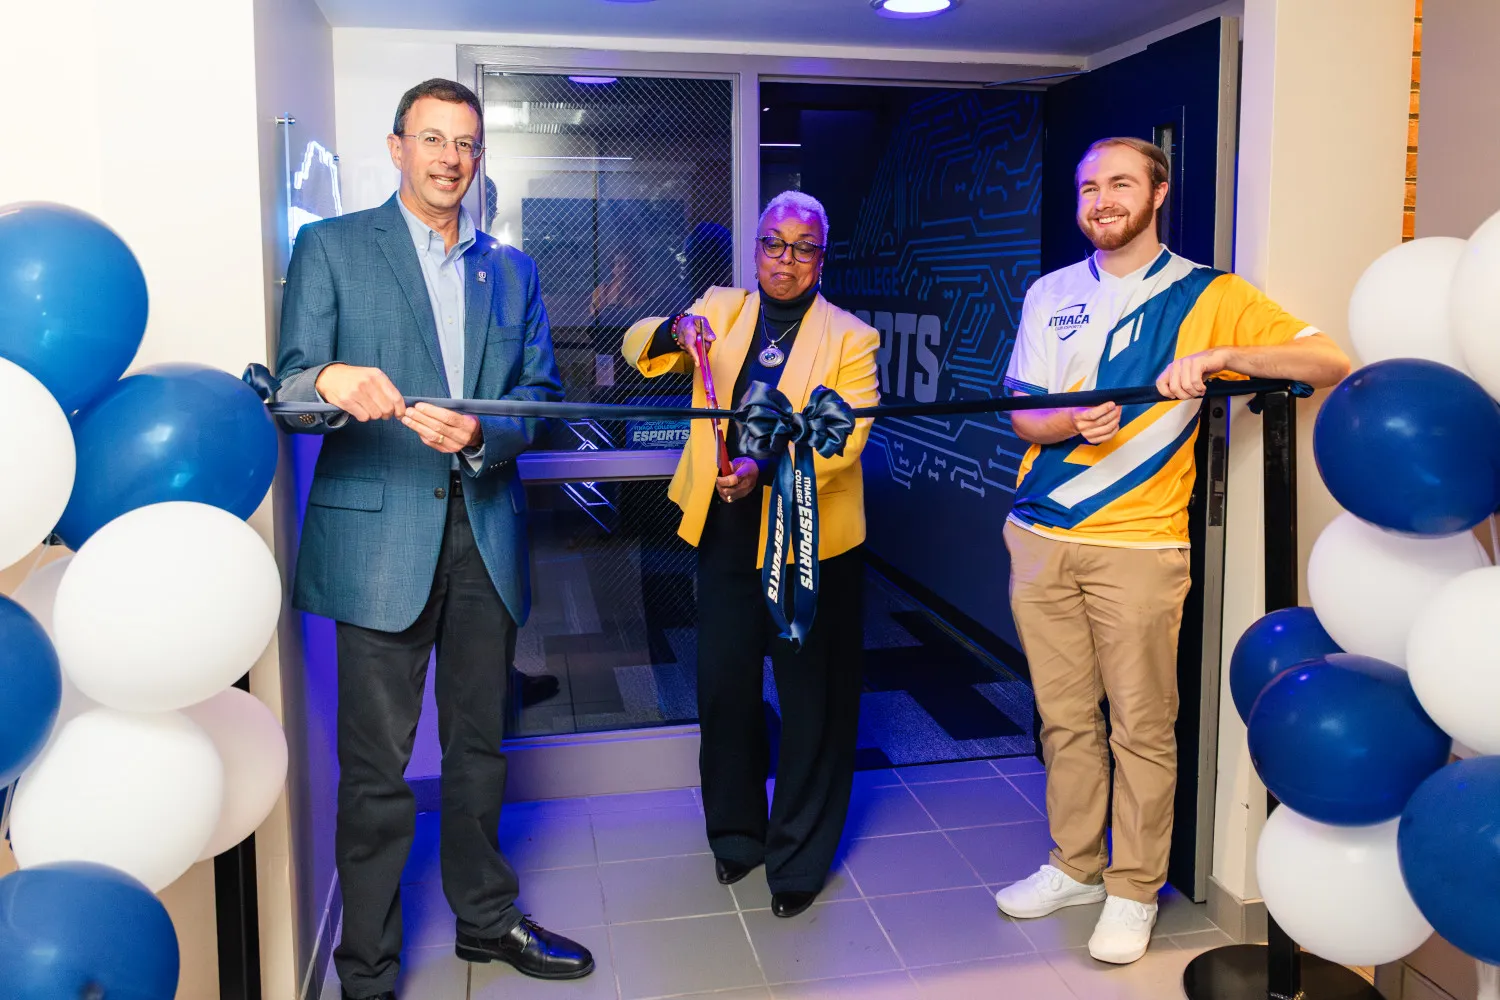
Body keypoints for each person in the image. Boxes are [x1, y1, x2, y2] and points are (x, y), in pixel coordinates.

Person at [993, 137, 1350, 965]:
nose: (1100, 199)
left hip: (1141, 545)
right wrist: (1072, 419)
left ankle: (1132, 888)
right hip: (1039, 535)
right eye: (1087, 187)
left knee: (1143, 726)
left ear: (1158, 193)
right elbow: (1024, 415)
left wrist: (1225, 357)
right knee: (1063, 718)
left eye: (1120, 183)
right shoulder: (1050, 292)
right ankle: (1074, 865)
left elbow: (1326, 360)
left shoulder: (1208, 293)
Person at [273, 78, 593, 999]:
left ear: (479, 158)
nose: (452, 158)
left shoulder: (514, 271)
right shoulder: (331, 247)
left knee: (481, 751)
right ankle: (366, 972)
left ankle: (486, 923)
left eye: (467, 144)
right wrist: (331, 378)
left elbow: (541, 397)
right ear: (398, 147)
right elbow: (291, 391)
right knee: (375, 772)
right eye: (434, 139)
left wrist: (488, 435)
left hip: (484, 532)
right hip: (379, 544)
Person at [621, 191, 879, 918]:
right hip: (729, 540)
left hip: (812, 548)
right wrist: (676, 327)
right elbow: (639, 347)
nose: (785, 259)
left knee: (812, 705)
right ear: (757, 248)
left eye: (803, 247)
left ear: (821, 258)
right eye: (773, 243)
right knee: (725, 692)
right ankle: (737, 837)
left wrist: (763, 470)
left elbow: (844, 438)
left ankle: (798, 860)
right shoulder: (723, 308)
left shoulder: (852, 339)